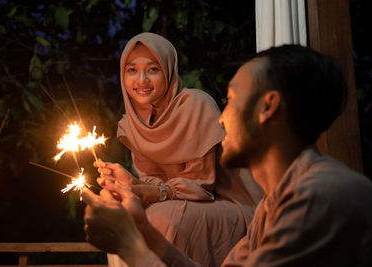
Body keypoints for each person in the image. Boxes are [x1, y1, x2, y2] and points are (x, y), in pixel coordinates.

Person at [84, 44, 372, 266]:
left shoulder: (320, 197)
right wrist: (143, 229)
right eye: (131, 70)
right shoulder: (271, 207)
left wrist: (129, 245)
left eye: (231, 100)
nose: (220, 120)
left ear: (267, 107)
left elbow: (201, 183)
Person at [93, 32, 262, 267]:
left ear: (169, 71)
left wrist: (148, 193)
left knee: (163, 217)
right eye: (131, 70)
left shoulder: (196, 105)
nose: (141, 79)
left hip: (231, 204)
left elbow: (202, 185)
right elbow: (157, 185)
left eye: (153, 69)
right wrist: (131, 183)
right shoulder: (133, 124)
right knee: (123, 218)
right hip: (177, 201)